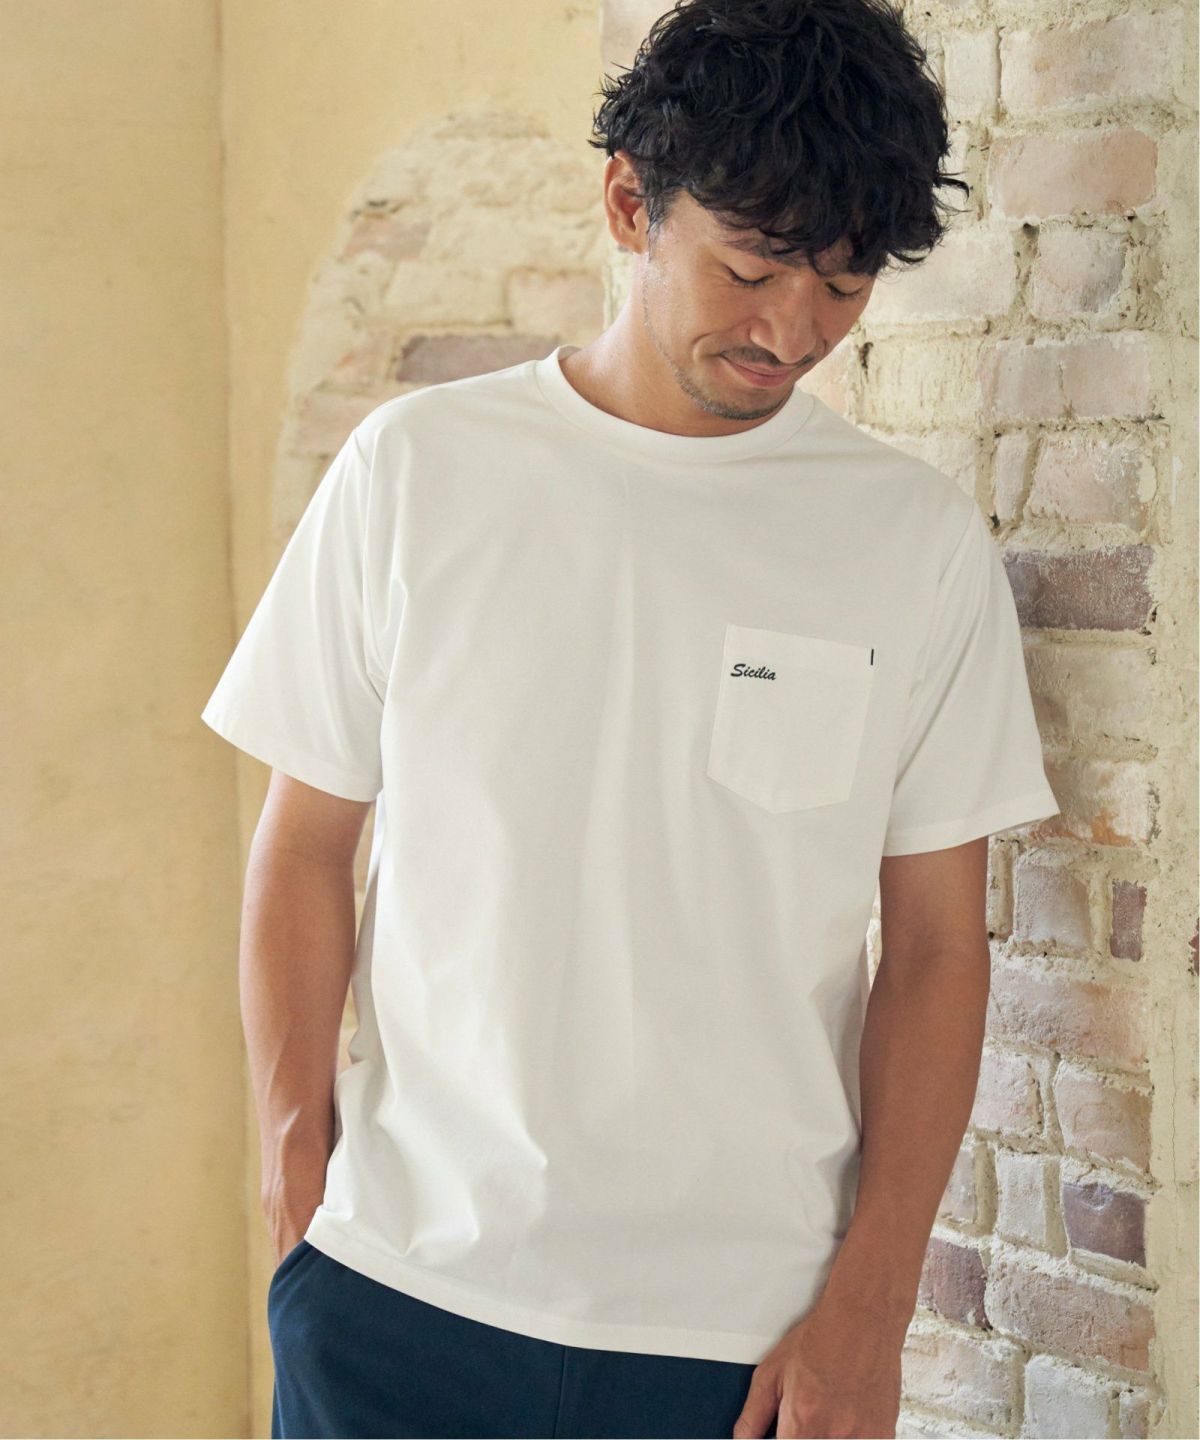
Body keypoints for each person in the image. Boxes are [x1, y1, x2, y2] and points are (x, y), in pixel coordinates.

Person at [201, 2, 1061, 1436]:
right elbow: (301, 846)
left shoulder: (911, 545)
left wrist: (871, 1304)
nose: (793, 330)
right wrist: (298, 1182)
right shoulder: (417, 472)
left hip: (736, 1348)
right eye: (751, 269)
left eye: (844, 285)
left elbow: (932, 948)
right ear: (628, 204)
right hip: (397, 1305)